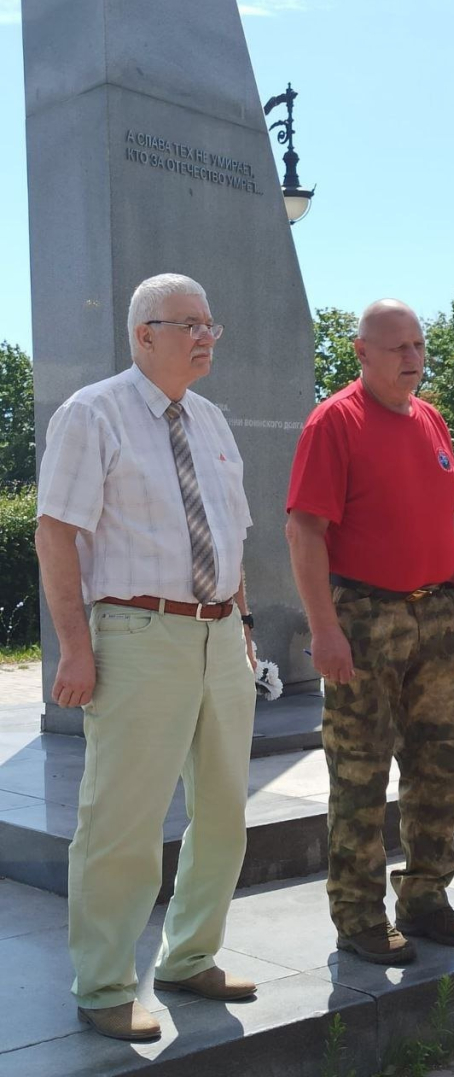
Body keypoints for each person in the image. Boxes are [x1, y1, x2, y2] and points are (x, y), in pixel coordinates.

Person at [35, 274, 258, 1042]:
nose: (205, 336)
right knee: (122, 820)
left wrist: (245, 624)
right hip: (135, 633)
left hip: (221, 635)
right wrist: (74, 647)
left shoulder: (213, 421)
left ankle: (190, 953)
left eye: (210, 323)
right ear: (143, 334)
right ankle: (102, 984)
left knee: (226, 810)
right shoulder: (93, 413)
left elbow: (235, 535)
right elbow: (56, 533)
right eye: (187, 324)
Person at [285, 298, 454, 965]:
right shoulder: (334, 420)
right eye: (396, 347)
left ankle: (425, 897)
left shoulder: (430, 420)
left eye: (418, 345)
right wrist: (325, 628)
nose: (412, 358)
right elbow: (304, 529)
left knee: (442, 767)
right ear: (361, 351)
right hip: (363, 616)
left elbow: (452, 518)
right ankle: (359, 913)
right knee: (361, 771)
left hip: (433, 617)